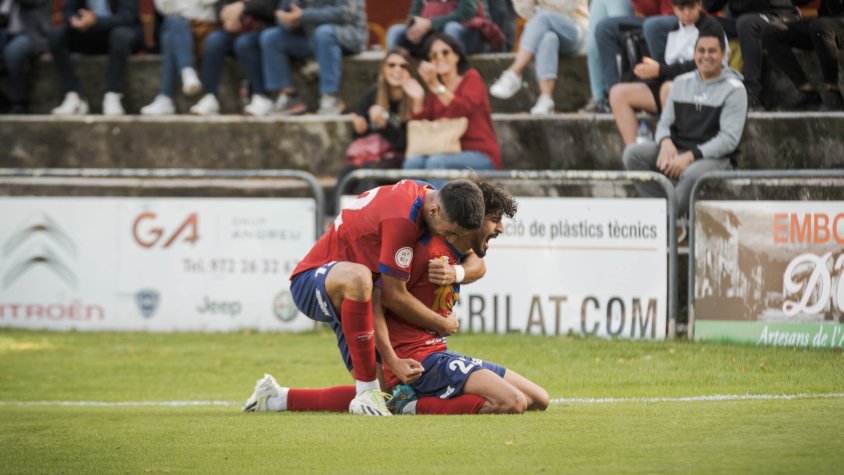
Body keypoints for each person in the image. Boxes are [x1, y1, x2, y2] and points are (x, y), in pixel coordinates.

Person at [241, 180, 550, 415]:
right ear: (435, 212)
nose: (450, 238)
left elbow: (475, 262)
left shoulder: (435, 206)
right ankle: (372, 392)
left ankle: (279, 398)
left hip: (360, 295)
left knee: (385, 393)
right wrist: (437, 326)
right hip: (315, 279)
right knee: (360, 281)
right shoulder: (406, 224)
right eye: (450, 232)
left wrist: (455, 273)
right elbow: (388, 294)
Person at [377, 181, 549, 415]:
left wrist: (456, 273)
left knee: (539, 399)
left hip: (439, 353)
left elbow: (479, 266)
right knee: (514, 402)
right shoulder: (427, 248)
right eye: (495, 219)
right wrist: (392, 359)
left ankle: (420, 397)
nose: (501, 228)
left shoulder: (458, 251)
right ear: (475, 219)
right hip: (417, 360)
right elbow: (381, 296)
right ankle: (407, 405)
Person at [622, 28, 747, 231]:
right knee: (633, 154)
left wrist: (689, 157)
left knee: (691, 174)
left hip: (715, 158)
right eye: (701, 50)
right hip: (679, 149)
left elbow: (728, 140)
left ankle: (661, 225)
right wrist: (665, 142)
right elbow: (665, 123)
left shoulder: (735, 89)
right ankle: (668, 218)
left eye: (712, 51)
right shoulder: (681, 83)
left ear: (724, 55)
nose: (706, 56)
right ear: (694, 54)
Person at [609, 0, 723, 145]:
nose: (687, 13)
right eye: (681, 8)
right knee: (618, 93)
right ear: (674, 9)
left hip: (704, 88)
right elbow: (669, 65)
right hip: (672, 88)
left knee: (668, 88)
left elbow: (703, 65)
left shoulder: (710, 28)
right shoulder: (674, 30)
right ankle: (635, 150)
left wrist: (660, 70)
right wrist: (649, 71)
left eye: (691, 7)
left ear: (699, 5)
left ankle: (679, 148)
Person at [402, 33, 501, 171]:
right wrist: (418, 99)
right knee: (412, 163)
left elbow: (463, 109)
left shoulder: (471, 77)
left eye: (445, 52)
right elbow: (424, 125)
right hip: (444, 151)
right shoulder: (435, 89)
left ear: (457, 56)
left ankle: (439, 188)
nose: (440, 57)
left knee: (436, 162)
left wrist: (435, 85)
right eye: (434, 55)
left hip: (480, 153)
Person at [258, 0, 367, 116]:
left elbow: (345, 13)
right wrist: (289, 21)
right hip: (311, 38)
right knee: (270, 37)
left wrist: (304, 15)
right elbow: (283, 12)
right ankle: (291, 97)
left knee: (323, 33)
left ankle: (331, 97)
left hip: (347, 36)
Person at [488, 0, 590, 115]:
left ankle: (514, 72)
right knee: (548, 38)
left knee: (542, 17)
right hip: (549, 29)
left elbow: (565, 8)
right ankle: (546, 98)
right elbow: (527, 14)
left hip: (578, 30)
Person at [47, 0, 144, 115]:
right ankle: (74, 95)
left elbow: (127, 17)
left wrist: (96, 21)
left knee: (120, 36)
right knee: (56, 36)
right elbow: (68, 10)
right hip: (88, 31)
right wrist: (76, 21)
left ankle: (113, 94)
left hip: (120, 32)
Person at [340, 47, 414, 194]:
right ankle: (334, 208)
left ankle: (363, 208)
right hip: (374, 156)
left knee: (369, 170)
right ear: (383, 69)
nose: (397, 70)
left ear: (410, 71)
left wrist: (385, 125)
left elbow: (406, 145)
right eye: (391, 65)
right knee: (349, 170)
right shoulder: (373, 93)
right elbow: (359, 136)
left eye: (403, 66)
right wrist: (359, 129)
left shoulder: (415, 97)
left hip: (402, 159)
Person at [580, 0, 674, 114]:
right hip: (651, 20)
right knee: (604, 29)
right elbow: (647, 9)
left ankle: (657, 89)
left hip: (675, 15)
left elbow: (667, 11)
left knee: (652, 26)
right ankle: (612, 97)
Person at [188, 0, 278, 116]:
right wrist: (227, 17)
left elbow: (271, 6)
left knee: (244, 44)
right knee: (214, 41)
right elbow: (221, 4)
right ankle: (210, 96)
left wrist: (244, 7)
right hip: (236, 30)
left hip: (262, 30)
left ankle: (261, 96)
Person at [763, 0, 844, 110]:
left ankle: (834, 91)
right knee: (772, 32)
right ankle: (808, 92)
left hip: (829, 25)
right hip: (823, 25)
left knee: (820, 26)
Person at [140, 0, 218, 115]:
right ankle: (187, 72)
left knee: (170, 32)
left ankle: (166, 97)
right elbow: (164, 9)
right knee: (173, 24)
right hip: (178, 27)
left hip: (204, 27)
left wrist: (183, 13)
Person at [386, 0, 495, 57]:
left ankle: (457, 75)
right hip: (429, 35)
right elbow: (414, 14)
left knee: (451, 29)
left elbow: (467, 13)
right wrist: (414, 28)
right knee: (395, 31)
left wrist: (431, 24)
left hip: (466, 33)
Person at [0, 0, 52, 113]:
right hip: (6, 34)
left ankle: (19, 103)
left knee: (14, 51)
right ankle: (4, 102)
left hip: (34, 35)